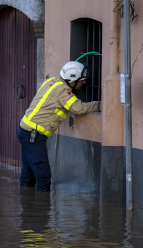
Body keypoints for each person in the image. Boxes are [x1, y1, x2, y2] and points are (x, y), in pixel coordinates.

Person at [17, 61, 100, 192]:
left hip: (25, 131)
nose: (84, 83)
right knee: (43, 175)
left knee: (28, 173)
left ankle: (27, 205)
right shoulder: (63, 91)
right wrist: (100, 104)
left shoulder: (52, 81)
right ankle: (42, 208)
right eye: (82, 80)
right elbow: (79, 108)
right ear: (72, 81)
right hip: (34, 135)